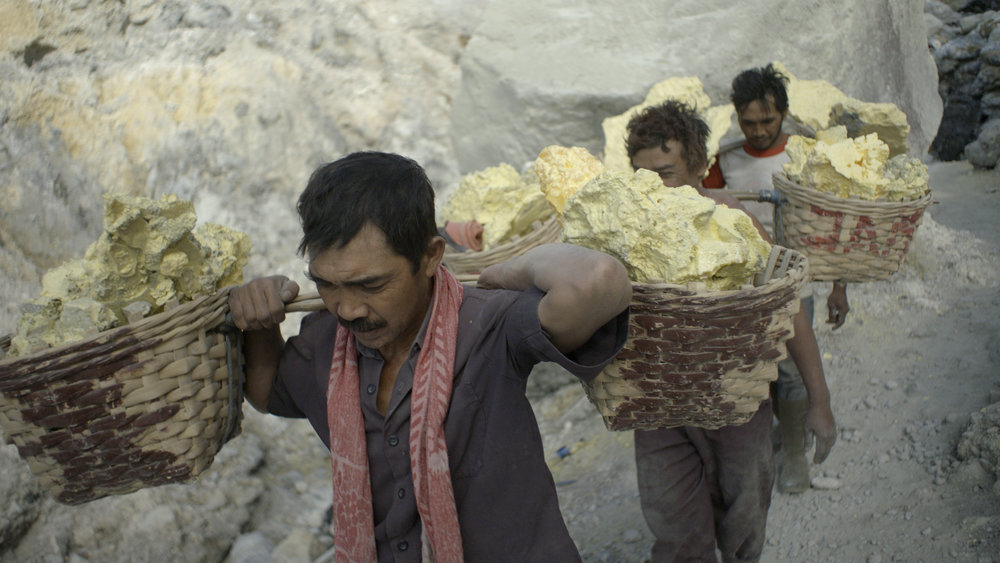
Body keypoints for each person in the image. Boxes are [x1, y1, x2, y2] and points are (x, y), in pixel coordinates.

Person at [228, 151, 632, 562]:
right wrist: (260, 319)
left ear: (431, 256)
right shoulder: (326, 341)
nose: (348, 309)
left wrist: (513, 270)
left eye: (370, 285)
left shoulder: (486, 325)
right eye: (328, 284)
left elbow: (599, 281)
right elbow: (267, 393)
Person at [625, 100, 836, 562]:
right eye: (641, 177)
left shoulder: (735, 223)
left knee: (743, 520)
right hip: (661, 410)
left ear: (700, 166)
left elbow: (790, 310)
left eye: (665, 173)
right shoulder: (626, 234)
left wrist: (818, 402)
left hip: (735, 403)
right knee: (676, 531)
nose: (653, 189)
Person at [703, 63, 848, 494]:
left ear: (783, 112)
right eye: (748, 122)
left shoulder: (807, 153)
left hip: (792, 279)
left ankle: (796, 457)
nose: (759, 131)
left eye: (768, 120)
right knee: (753, 371)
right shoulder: (725, 160)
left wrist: (839, 284)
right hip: (741, 284)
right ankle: (771, 442)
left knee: (791, 371)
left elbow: (834, 221)